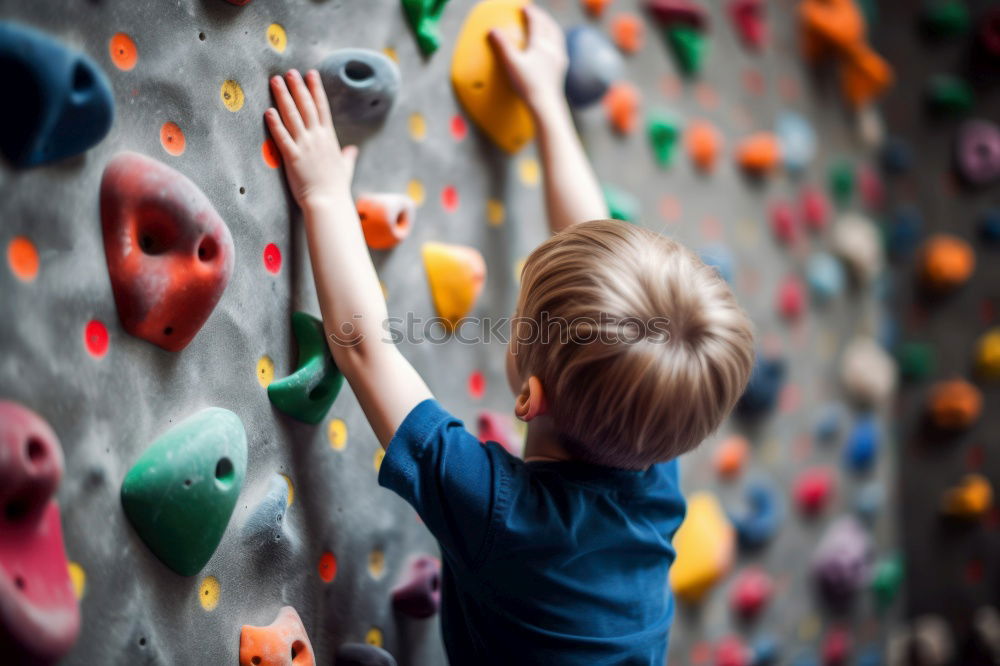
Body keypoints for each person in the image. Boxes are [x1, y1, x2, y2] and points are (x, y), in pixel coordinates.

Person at [264, 5, 754, 664]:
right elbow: (590, 236)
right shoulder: (651, 446)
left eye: (518, 318)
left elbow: (363, 347)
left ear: (528, 397)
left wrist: (323, 193)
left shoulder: (501, 513)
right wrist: (548, 100)